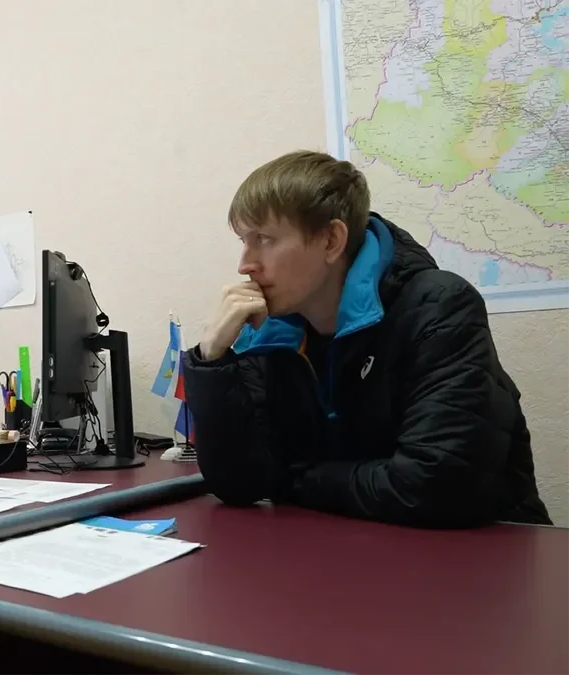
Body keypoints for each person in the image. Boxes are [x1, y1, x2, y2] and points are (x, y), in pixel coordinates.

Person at [181, 150, 551, 528]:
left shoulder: (439, 308)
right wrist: (211, 360)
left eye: (264, 239)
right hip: (344, 547)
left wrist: (293, 480)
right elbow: (239, 483)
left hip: (480, 551)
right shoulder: (272, 333)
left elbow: (434, 486)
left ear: (331, 240)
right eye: (244, 240)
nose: (245, 264)